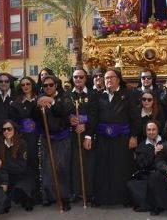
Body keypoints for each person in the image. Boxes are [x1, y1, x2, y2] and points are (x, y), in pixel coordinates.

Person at [93, 68, 138, 206]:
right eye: (106, 78)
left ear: (118, 79)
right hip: (103, 140)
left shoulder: (127, 95)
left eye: (111, 77)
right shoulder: (99, 96)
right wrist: (89, 136)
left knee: (121, 168)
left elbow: (134, 118)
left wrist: (134, 136)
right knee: (103, 168)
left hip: (122, 139)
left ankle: (123, 199)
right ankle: (102, 199)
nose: (108, 80)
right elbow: (94, 118)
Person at [35, 75, 72, 211]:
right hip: (47, 137)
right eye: (45, 86)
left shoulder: (65, 96)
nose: (48, 87)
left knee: (61, 168)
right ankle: (49, 196)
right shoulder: (39, 98)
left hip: (62, 137)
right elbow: (34, 117)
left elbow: (65, 112)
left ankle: (64, 197)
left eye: (51, 85)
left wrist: (52, 101)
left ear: (56, 85)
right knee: (47, 168)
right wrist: (37, 106)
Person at [68, 68, 97, 205]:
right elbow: (63, 112)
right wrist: (69, 119)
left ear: (86, 79)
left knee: (88, 164)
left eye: (81, 77)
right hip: (72, 135)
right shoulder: (68, 95)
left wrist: (87, 130)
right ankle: (75, 191)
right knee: (74, 164)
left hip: (87, 135)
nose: (78, 79)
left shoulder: (92, 95)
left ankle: (89, 192)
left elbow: (95, 115)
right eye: (75, 77)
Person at [0, 119, 37, 212]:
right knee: (1, 205)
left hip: (22, 175)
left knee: (24, 190)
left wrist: (3, 165)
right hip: (7, 175)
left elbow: (20, 167)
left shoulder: (22, 143)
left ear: (14, 129)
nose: (6, 131)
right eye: (4, 129)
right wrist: (4, 181)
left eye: (9, 129)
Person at [127, 120, 162, 212]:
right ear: (145, 131)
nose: (151, 132)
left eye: (154, 129)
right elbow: (142, 165)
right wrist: (153, 153)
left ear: (158, 130)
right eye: (148, 130)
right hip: (148, 174)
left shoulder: (165, 142)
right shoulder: (141, 146)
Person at [10, 76, 40, 182]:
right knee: (26, 162)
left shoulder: (39, 99)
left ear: (32, 85)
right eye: (23, 85)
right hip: (23, 138)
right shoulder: (16, 103)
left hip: (39, 137)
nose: (26, 86)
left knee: (38, 163)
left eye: (28, 84)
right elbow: (13, 122)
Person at [0, 73, 18, 140]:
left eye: (6, 81)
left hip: (11, 132)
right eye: (1, 81)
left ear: (10, 82)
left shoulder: (17, 96)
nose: (3, 83)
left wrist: (1, 132)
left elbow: (17, 117)